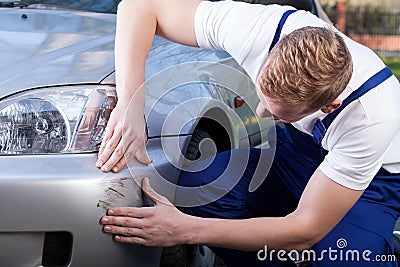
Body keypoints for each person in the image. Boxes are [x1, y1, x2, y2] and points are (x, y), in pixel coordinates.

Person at [98, 0, 400, 266]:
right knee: (201, 182)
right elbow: (140, 5)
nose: (259, 113)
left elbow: (306, 228)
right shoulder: (262, 28)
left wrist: (183, 229)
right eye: (263, 94)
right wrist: (130, 101)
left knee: (344, 259)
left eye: (276, 109)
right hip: (296, 151)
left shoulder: (373, 115)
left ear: (328, 107)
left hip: (371, 183)